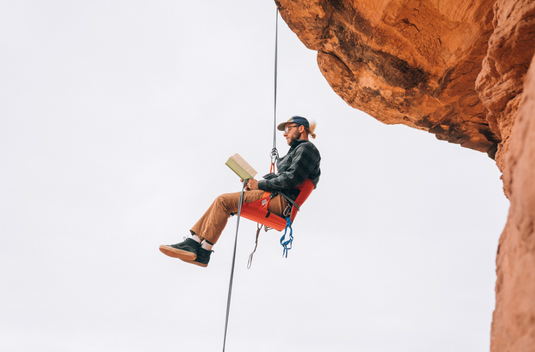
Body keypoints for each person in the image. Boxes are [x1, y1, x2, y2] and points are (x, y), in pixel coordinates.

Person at [159, 116, 321, 267]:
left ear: (301, 129)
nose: (285, 134)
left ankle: (194, 243)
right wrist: (253, 184)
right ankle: (202, 251)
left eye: (288, 129)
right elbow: (283, 177)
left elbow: (291, 178)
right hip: (278, 200)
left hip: (281, 203)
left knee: (223, 201)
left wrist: (259, 185)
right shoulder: (296, 152)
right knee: (225, 204)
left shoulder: (307, 148)